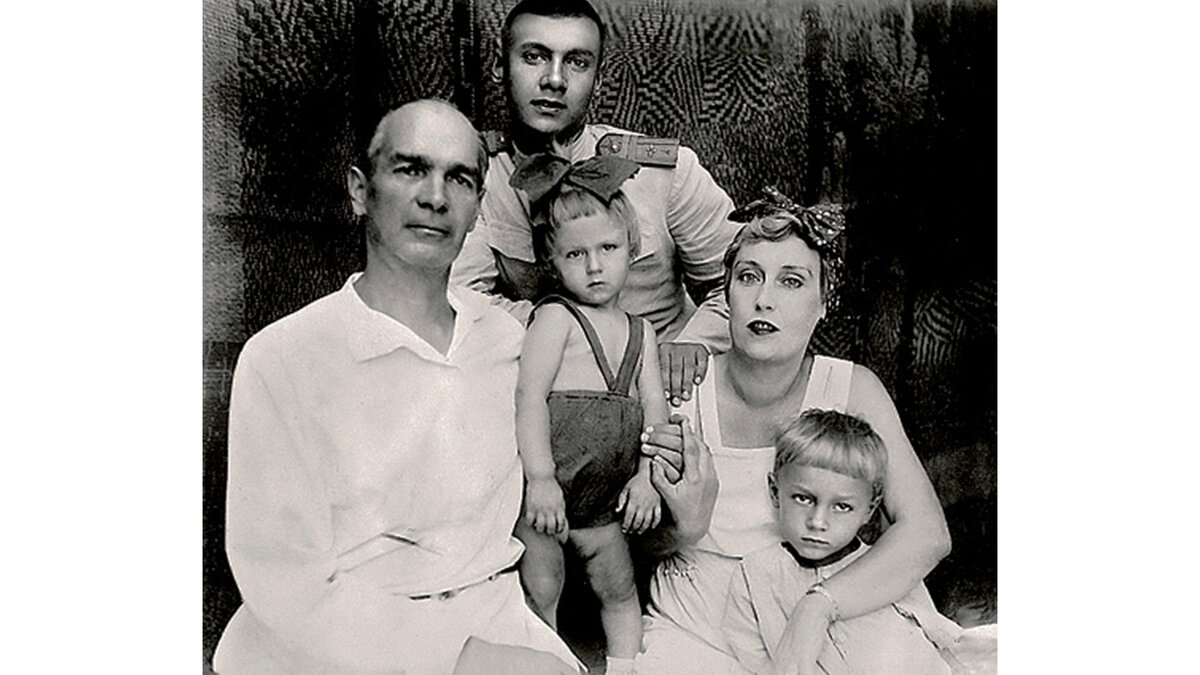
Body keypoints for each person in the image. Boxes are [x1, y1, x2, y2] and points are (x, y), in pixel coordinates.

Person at [212, 99, 579, 674]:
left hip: (496, 619)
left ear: (478, 207)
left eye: (460, 179)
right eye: (411, 169)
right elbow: (286, 581)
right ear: (360, 190)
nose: (436, 197)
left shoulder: (505, 341)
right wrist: (465, 660)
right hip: (336, 643)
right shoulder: (284, 357)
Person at [636, 188, 952, 675]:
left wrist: (819, 606)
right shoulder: (681, 388)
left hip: (831, 611)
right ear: (727, 295)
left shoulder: (850, 388)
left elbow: (927, 533)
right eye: (749, 277)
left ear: (825, 302)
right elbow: (623, 547)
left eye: (791, 281)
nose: (764, 300)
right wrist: (685, 529)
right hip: (699, 625)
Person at [450, 0, 740, 405]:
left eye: (577, 62)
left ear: (599, 81)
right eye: (534, 57)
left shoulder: (662, 172)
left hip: (666, 393)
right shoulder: (476, 178)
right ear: (501, 67)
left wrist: (693, 344)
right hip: (543, 394)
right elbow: (463, 299)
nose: (554, 79)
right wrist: (564, 331)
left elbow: (738, 282)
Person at [512, 153, 670, 674]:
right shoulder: (556, 318)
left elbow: (656, 413)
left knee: (621, 592)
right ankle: (544, 667)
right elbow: (529, 396)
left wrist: (647, 479)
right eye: (576, 254)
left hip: (603, 509)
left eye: (608, 248)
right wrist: (540, 480)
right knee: (542, 588)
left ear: (633, 248)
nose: (595, 266)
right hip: (549, 500)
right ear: (553, 260)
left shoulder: (643, 333)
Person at [723, 409, 993, 675]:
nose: (818, 521)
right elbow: (752, 659)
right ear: (775, 492)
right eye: (803, 499)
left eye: (841, 506)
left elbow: (936, 642)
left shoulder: (882, 568)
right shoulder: (754, 575)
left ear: (869, 509)